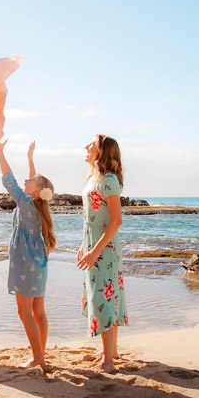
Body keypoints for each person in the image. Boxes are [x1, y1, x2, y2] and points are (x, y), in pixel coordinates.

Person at [0, 137, 56, 372]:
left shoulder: (26, 202)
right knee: (38, 312)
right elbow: (32, 181)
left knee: (25, 312)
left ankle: (38, 358)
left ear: (36, 191)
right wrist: (30, 158)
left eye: (31, 181)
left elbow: (10, 181)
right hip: (40, 262)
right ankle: (40, 354)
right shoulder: (37, 203)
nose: (27, 180)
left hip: (26, 264)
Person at [76, 134, 128, 373]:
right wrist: (82, 245)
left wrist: (95, 251)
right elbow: (90, 219)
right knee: (105, 294)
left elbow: (116, 220)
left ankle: (108, 362)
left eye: (92, 145)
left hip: (104, 246)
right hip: (93, 242)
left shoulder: (108, 180)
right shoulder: (93, 179)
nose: (87, 147)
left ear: (102, 152)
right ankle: (112, 351)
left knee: (103, 296)